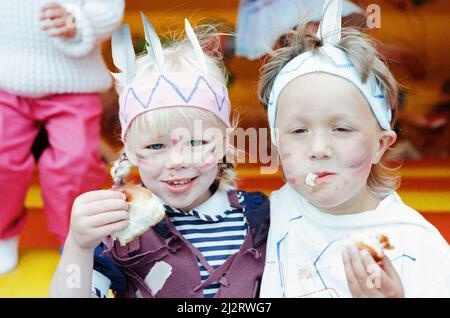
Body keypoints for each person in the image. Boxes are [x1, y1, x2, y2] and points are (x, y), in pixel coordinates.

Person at [49, 14, 270, 298]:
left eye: (196, 142)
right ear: (129, 149)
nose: (177, 161)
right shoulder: (117, 226)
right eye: (156, 146)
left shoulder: (259, 217)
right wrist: (79, 246)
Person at [258, 0, 450, 297]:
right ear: (276, 144)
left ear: (380, 145)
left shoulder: (416, 246)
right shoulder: (264, 220)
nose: (318, 149)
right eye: (298, 131)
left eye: (342, 129)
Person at [0, 0, 125, 275]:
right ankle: (2, 233)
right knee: (3, 161)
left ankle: (75, 241)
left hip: (74, 82)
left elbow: (109, 8)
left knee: (75, 163)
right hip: (6, 80)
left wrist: (78, 21)